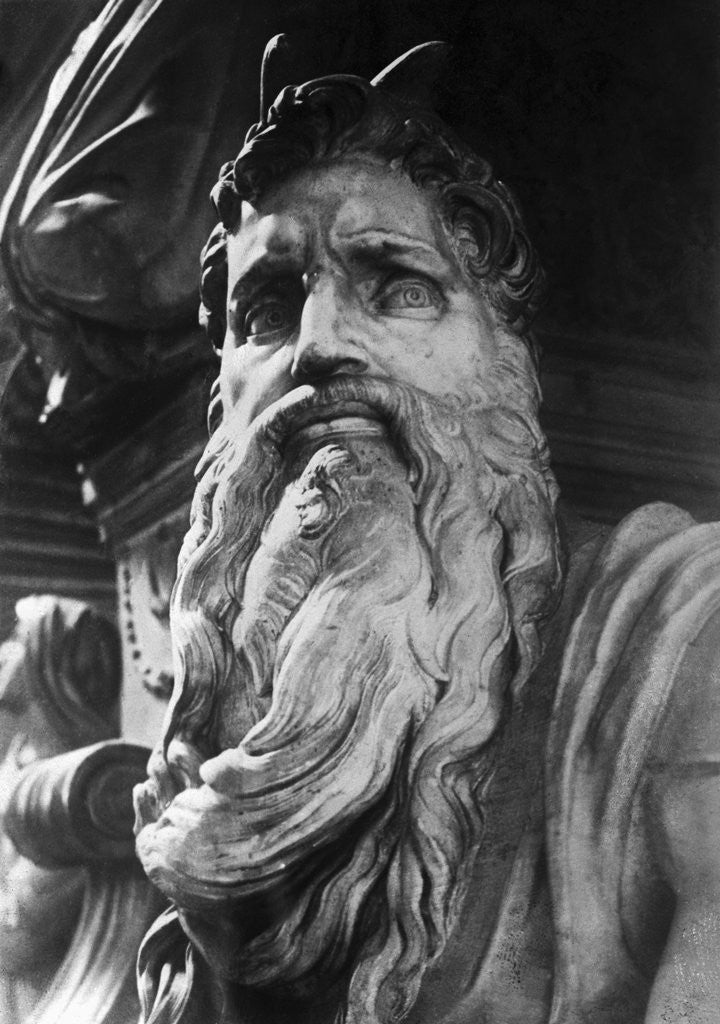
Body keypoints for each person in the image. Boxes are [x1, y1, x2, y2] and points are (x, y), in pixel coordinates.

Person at [133, 43, 720, 1024]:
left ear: (503, 359)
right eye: (267, 311)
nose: (319, 345)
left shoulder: (681, 643)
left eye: (398, 288)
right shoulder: (199, 743)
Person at [0, 595, 120, 1024]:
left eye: (18, 637)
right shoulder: (17, 758)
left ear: (53, 663)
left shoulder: (83, 788)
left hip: (48, 1000)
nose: (3, 649)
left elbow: (17, 938)